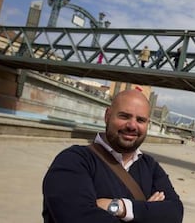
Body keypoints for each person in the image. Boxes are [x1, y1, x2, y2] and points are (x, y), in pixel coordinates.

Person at [42, 89, 184, 223]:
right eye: (124, 116)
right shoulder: (73, 160)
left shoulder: (151, 166)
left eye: (140, 120)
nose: (132, 126)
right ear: (107, 116)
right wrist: (148, 213)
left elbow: (175, 213)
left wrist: (119, 207)